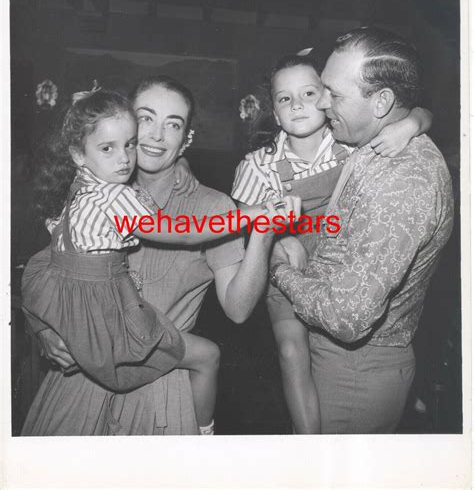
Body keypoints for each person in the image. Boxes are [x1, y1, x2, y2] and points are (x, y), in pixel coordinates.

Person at [22, 76, 291, 435]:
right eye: (146, 118)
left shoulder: (211, 206)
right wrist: (42, 329)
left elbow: (239, 309)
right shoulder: (96, 185)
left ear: (187, 139)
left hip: (161, 386)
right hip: (79, 381)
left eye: (173, 124)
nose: (156, 136)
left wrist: (262, 234)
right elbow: (46, 270)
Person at [232, 52, 433, 433]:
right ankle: (308, 442)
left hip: (341, 264)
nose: (298, 105)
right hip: (287, 265)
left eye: (309, 93)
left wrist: (408, 127)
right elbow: (252, 232)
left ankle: (404, 392)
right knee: (292, 350)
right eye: (285, 99)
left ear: (327, 100)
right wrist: (276, 239)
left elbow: (425, 113)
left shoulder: (349, 142)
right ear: (274, 113)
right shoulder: (258, 166)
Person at [269, 27, 454, 434]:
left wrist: (282, 273)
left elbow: (346, 317)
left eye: (333, 93)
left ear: (382, 102)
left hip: (354, 372)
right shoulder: (379, 137)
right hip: (343, 359)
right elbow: (344, 228)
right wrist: (414, 121)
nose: (321, 102)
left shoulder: (402, 183)